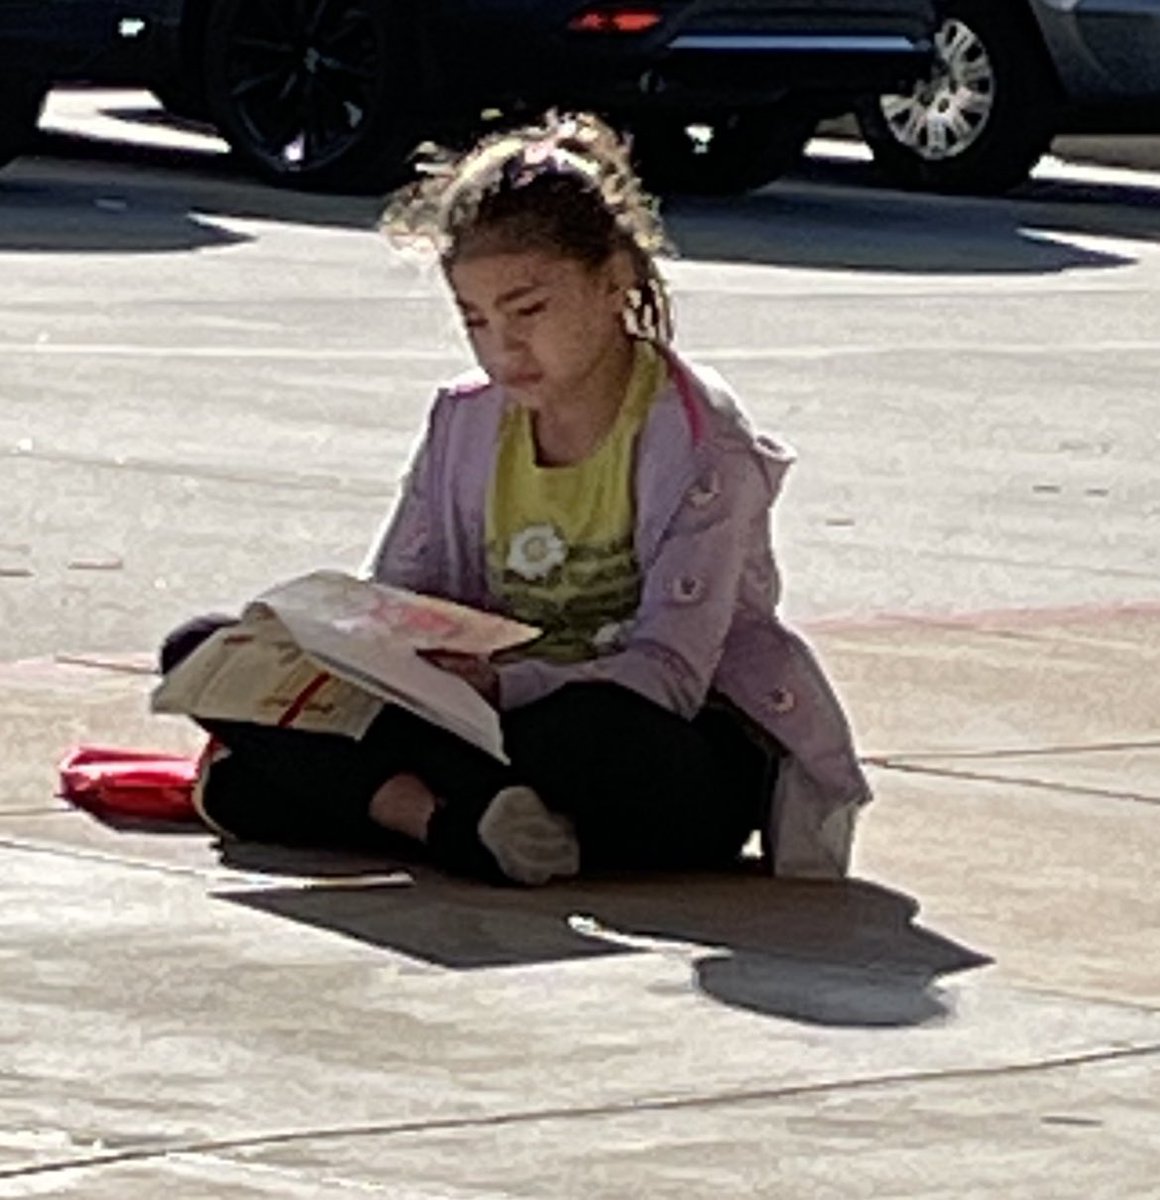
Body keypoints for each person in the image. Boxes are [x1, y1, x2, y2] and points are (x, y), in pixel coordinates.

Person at [161, 112, 870, 886]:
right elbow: (399, 599)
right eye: (475, 320)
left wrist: (506, 685)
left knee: (586, 735)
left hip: (647, 734)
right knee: (203, 648)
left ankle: (409, 806)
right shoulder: (464, 419)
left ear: (614, 279)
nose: (503, 348)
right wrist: (367, 650)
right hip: (472, 719)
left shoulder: (703, 443)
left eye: (529, 310)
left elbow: (670, 672)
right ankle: (452, 822)